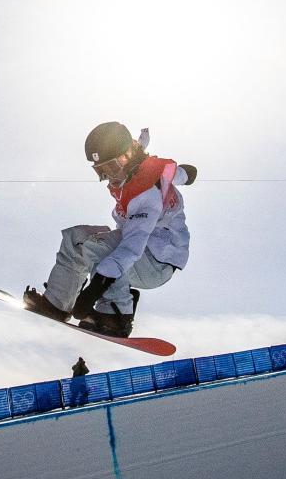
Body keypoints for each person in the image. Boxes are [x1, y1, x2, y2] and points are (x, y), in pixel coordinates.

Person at [23, 123, 196, 338]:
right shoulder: (135, 164)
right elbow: (171, 172)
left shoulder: (145, 194)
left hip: (156, 262)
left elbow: (131, 248)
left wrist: (95, 288)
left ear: (127, 156)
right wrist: (186, 175)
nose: (109, 176)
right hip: (141, 255)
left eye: (112, 168)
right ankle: (57, 303)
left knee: (99, 245)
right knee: (75, 238)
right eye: (101, 171)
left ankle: (116, 315)